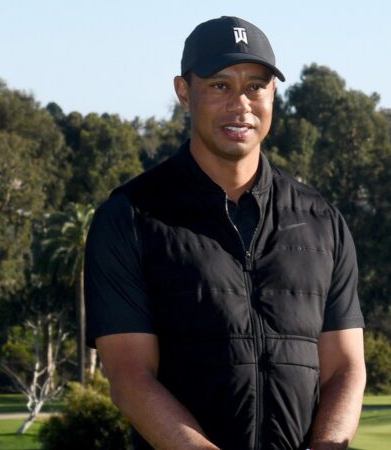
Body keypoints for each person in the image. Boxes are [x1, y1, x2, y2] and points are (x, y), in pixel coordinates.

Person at [85, 16, 366, 450]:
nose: (242, 104)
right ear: (184, 92)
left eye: (256, 85)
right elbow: (130, 377)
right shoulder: (129, 217)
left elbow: (346, 368)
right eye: (220, 85)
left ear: (273, 94)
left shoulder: (322, 220)